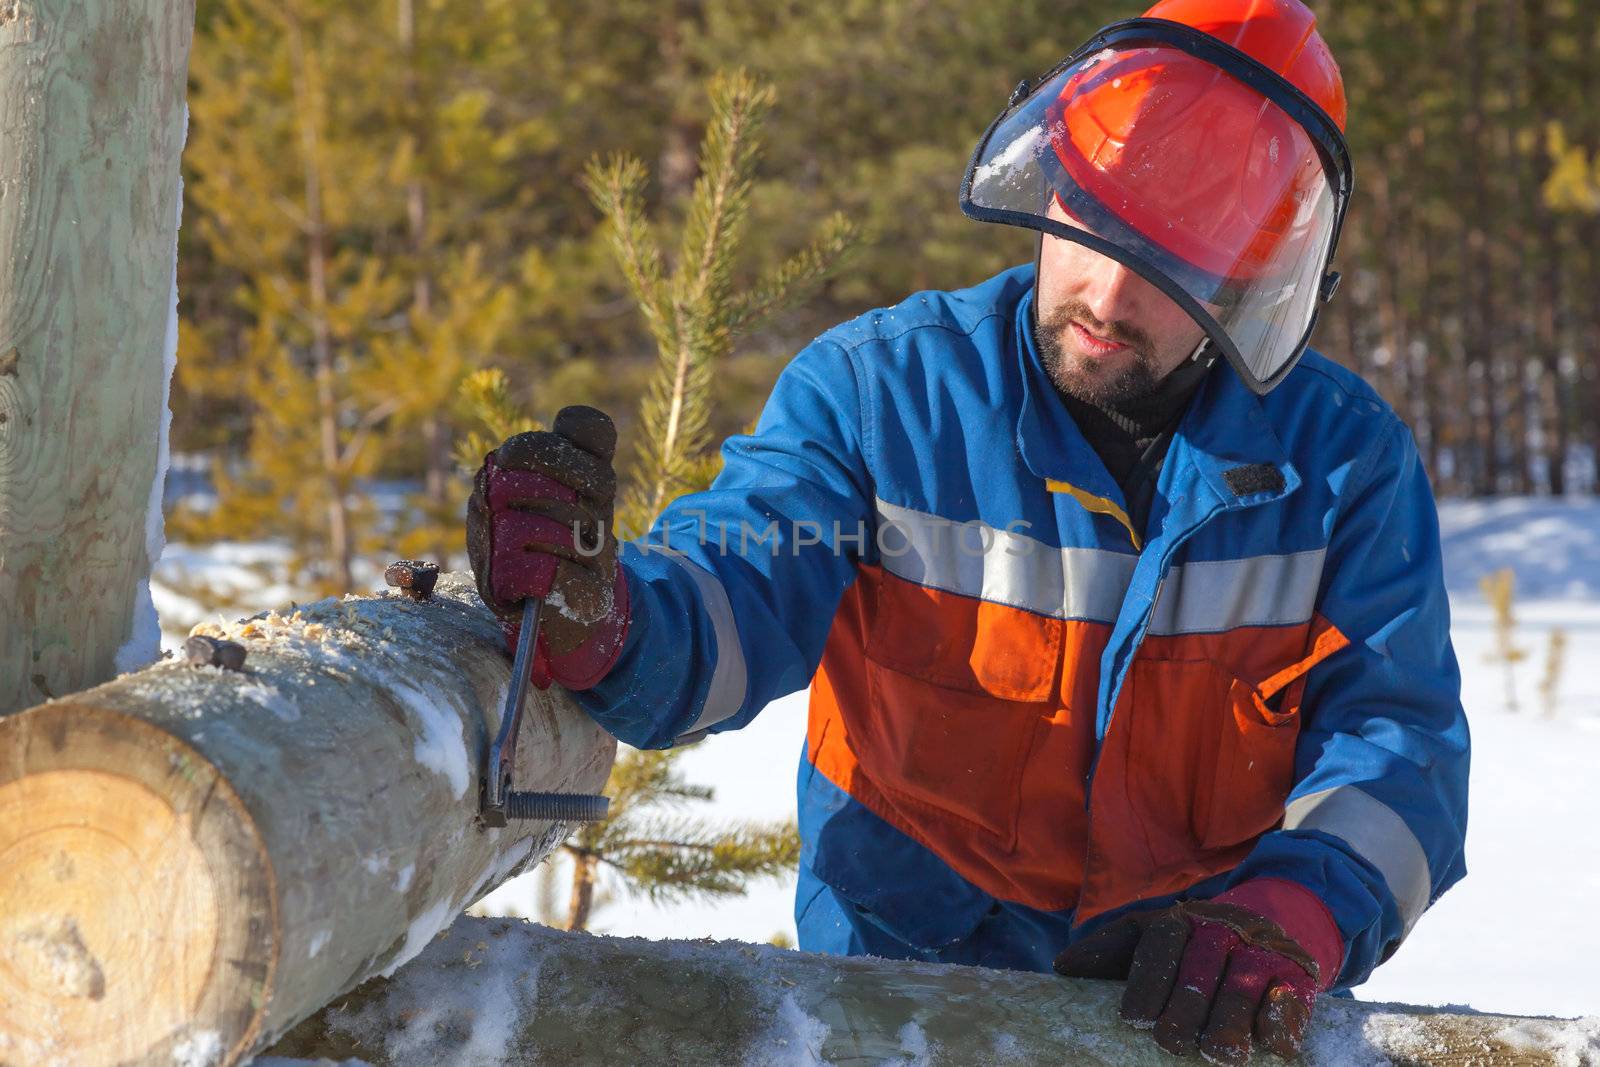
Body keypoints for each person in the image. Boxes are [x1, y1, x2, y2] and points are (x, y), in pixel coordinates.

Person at [465, 0, 1469, 1061]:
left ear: (1248, 277)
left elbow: (1397, 745)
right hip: (891, 1004)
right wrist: (615, 619)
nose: (1108, 292)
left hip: (1180, 1012)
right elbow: (742, 570)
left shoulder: (1341, 465)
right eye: (1092, 224)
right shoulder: (882, 395)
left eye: (1171, 260)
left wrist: (1297, 910)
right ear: (1050, 187)